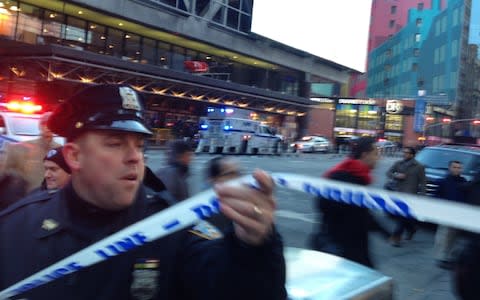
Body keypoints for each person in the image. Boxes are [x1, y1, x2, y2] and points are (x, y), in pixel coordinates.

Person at [0, 84, 286, 300]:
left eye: (139, 145)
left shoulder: (173, 231)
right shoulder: (16, 228)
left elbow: (237, 290)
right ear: (74, 157)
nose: (134, 157)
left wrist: (255, 249)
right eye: (115, 143)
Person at [310, 137, 390, 268]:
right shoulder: (344, 177)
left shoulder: (358, 177)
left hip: (352, 246)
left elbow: (362, 214)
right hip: (342, 249)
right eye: (376, 153)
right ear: (365, 155)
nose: (379, 158)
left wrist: (384, 232)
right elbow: (323, 205)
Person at [0, 112, 61, 193]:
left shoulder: (60, 149)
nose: (48, 127)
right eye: (44, 123)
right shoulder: (19, 147)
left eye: (53, 124)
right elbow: (4, 171)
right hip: (28, 197)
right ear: (40, 125)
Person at [386, 146, 426, 246]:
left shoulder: (419, 166)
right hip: (398, 193)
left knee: (402, 217)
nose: (404, 154)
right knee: (403, 217)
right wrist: (396, 175)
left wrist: (422, 195)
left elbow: (423, 182)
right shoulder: (398, 163)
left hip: (410, 195)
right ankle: (412, 229)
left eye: (407, 153)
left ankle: (396, 238)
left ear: (412, 155)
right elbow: (388, 173)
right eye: (404, 152)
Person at [433, 160, 467, 269]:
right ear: (449, 168)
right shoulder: (443, 181)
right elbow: (436, 196)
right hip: (445, 213)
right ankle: (440, 258)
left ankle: (449, 257)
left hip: (458, 214)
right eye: (454, 167)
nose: (457, 169)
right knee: (443, 236)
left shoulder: (463, 181)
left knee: (454, 237)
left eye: (459, 167)